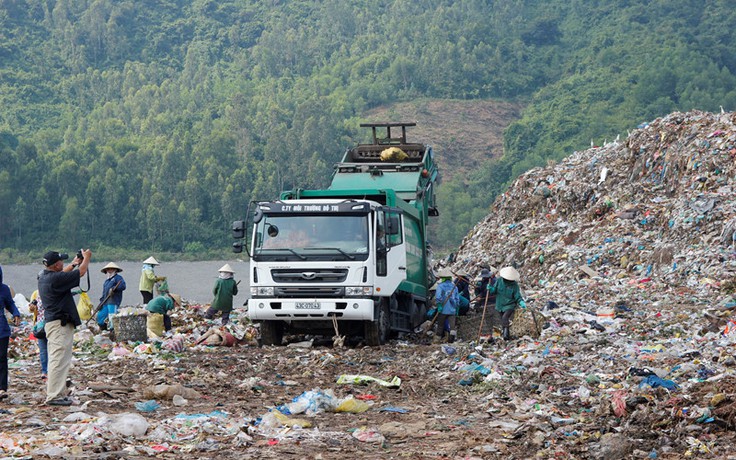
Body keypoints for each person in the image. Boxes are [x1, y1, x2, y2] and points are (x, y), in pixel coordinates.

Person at [38, 249, 91, 406]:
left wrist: (74, 263)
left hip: (54, 323)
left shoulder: (44, 275)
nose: (63, 263)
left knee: (60, 359)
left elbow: (65, 274)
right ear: (55, 265)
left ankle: (58, 392)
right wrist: (87, 258)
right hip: (59, 324)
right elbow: (81, 273)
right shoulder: (55, 279)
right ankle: (54, 396)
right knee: (58, 359)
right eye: (61, 261)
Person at [0, 265, 22, 401]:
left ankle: (2, 388)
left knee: (2, 359)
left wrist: (16, 313)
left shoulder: (3, 289)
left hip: (1, 329)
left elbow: (10, 303)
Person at [487, 266, 526, 341]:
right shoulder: (499, 281)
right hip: (500, 304)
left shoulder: (514, 285)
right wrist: (490, 289)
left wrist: (521, 302)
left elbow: (517, 295)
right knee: (503, 319)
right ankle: (505, 334)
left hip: (509, 305)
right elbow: (494, 291)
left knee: (505, 317)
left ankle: (506, 335)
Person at [97, 262, 126, 332]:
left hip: (113, 301)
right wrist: (100, 303)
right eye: (108, 269)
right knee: (100, 316)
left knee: (112, 317)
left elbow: (123, 286)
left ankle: (112, 331)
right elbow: (104, 293)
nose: (109, 270)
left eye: (111, 269)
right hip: (105, 301)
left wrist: (114, 288)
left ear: (115, 270)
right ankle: (104, 329)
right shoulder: (107, 281)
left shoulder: (118, 278)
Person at [29, 275, 48, 380]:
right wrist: (32, 307)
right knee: (43, 349)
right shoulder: (37, 293)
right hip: (40, 325)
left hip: (52, 324)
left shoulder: (53, 291)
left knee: (51, 349)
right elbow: (31, 307)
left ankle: (51, 371)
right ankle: (45, 371)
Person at [434, 267, 459, 343]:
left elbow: (438, 297)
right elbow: (457, 299)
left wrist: (439, 306)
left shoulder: (440, 286)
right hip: (452, 310)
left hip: (443, 309)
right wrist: (457, 308)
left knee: (440, 326)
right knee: (452, 327)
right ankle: (451, 341)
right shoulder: (454, 286)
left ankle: (436, 341)